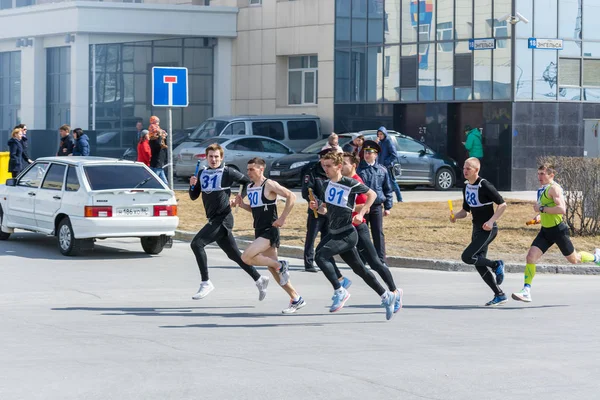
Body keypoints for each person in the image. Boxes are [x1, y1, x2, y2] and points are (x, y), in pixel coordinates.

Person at [309, 151, 398, 320]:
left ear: (339, 167)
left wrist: (362, 212)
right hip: (334, 232)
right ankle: (387, 296)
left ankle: (339, 290)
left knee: (320, 256)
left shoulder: (349, 183)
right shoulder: (327, 185)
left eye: (328, 166)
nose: (325, 169)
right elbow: (327, 210)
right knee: (360, 270)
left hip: (347, 234)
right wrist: (318, 207)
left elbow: (372, 195)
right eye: (323, 166)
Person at [188, 143, 269, 301]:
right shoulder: (202, 173)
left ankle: (206, 282)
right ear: (206, 158)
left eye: (216, 156)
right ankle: (259, 279)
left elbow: (247, 182)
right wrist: (192, 185)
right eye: (210, 156)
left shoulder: (227, 171)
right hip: (213, 218)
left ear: (221, 157)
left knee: (196, 244)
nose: (213, 159)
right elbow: (193, 196)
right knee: (235, 255)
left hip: (223, 218)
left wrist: (239, 198)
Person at [512, 163, 600, 303]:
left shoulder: (554, 189)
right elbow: (548, 209)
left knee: (574, 259)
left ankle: (596, 258)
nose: (539, 176)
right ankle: (526, 291)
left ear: (551, 175)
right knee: (530, 257)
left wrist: (541, 209)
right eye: (538, 173)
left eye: (543, 174)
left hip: (558, 231)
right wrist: (540, 218)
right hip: (546, 231)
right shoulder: (542, 189)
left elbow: (561, 209)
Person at [236, 157, 306, 314]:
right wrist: (242, 205)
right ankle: (296, 298)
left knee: (246, 257)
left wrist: (282, 218)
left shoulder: (269, 184)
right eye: (247, 169)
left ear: (261, 169)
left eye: (251, 169)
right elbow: (255, 209)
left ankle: (281, 264)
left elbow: (291, 196)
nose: (248, 172)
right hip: (259, 229)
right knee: (273, 269)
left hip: (270, 229)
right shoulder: (251, 186)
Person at [342, 151, 403, 313]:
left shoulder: (356, 181)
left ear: (353, 165)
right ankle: (340, 283)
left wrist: (349, 210)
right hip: (346, 228)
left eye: (344, 163)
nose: (341, 166)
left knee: (375, 262)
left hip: (358, 227)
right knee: (356, 265)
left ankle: (395, 291)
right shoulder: (343, 181)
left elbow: (366, 204)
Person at [450, 157, 507, 306]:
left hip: (488, 229)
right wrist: (456, 216)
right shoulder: (466, 186)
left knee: (467, 256)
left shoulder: (484, 185)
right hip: (476, 229)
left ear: (476, 170)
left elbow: (502, 204)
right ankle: (499, 294)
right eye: (464, 168)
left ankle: (496, 264)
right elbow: (466, 210)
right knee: (478, 263)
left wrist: (491, 221)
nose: (465, 171)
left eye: (468, 168)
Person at [301, 147, 339, 273]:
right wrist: (319, 204)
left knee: (327, 237)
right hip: (315, 211)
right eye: (323, 158)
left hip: (330, 211)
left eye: (327, 159)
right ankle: (309, 263)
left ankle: (324, 261)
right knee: (311, 237)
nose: (324, 162)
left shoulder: (334, 172)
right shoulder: (312, 171)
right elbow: (307, 191)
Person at [357, 140, 394, 264]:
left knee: (378, 232)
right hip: (362, 206)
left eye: (370, 152)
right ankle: (363, 259)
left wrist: (388, 207)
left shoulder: (382, 170)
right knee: (362, 233)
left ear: (376, 154)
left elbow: (387, 189)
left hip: (376, 206)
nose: (367, 155)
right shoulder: (359, 169)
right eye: (365, 152)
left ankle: (381, 259)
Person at [376, 126, 402, 202]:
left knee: (393, 182)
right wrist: (376, 143)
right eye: (378, 134)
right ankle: (383, 199)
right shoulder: (380, 142)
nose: (379, 136)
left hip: (387, 166)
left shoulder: (388, 141)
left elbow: (394, 154)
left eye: (381, 134)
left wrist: (386, 162)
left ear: (384, 134)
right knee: (382, 183)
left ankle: (400, 199)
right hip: (380, 166)